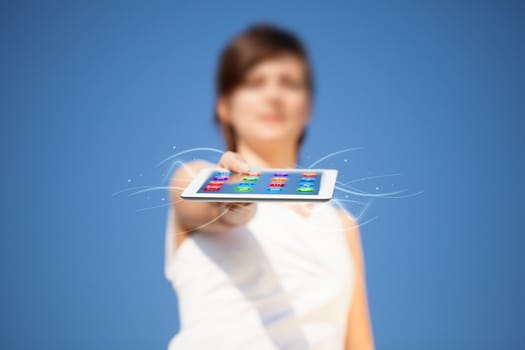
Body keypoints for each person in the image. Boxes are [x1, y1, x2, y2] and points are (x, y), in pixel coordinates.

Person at [164, 23, 374, 350]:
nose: (273, 95)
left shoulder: (342, 225)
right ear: (225, 107)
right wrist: (234, 202)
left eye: (289, 83)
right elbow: (200, 202)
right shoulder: (197, 175)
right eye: (254, 82)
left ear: (307, 108)